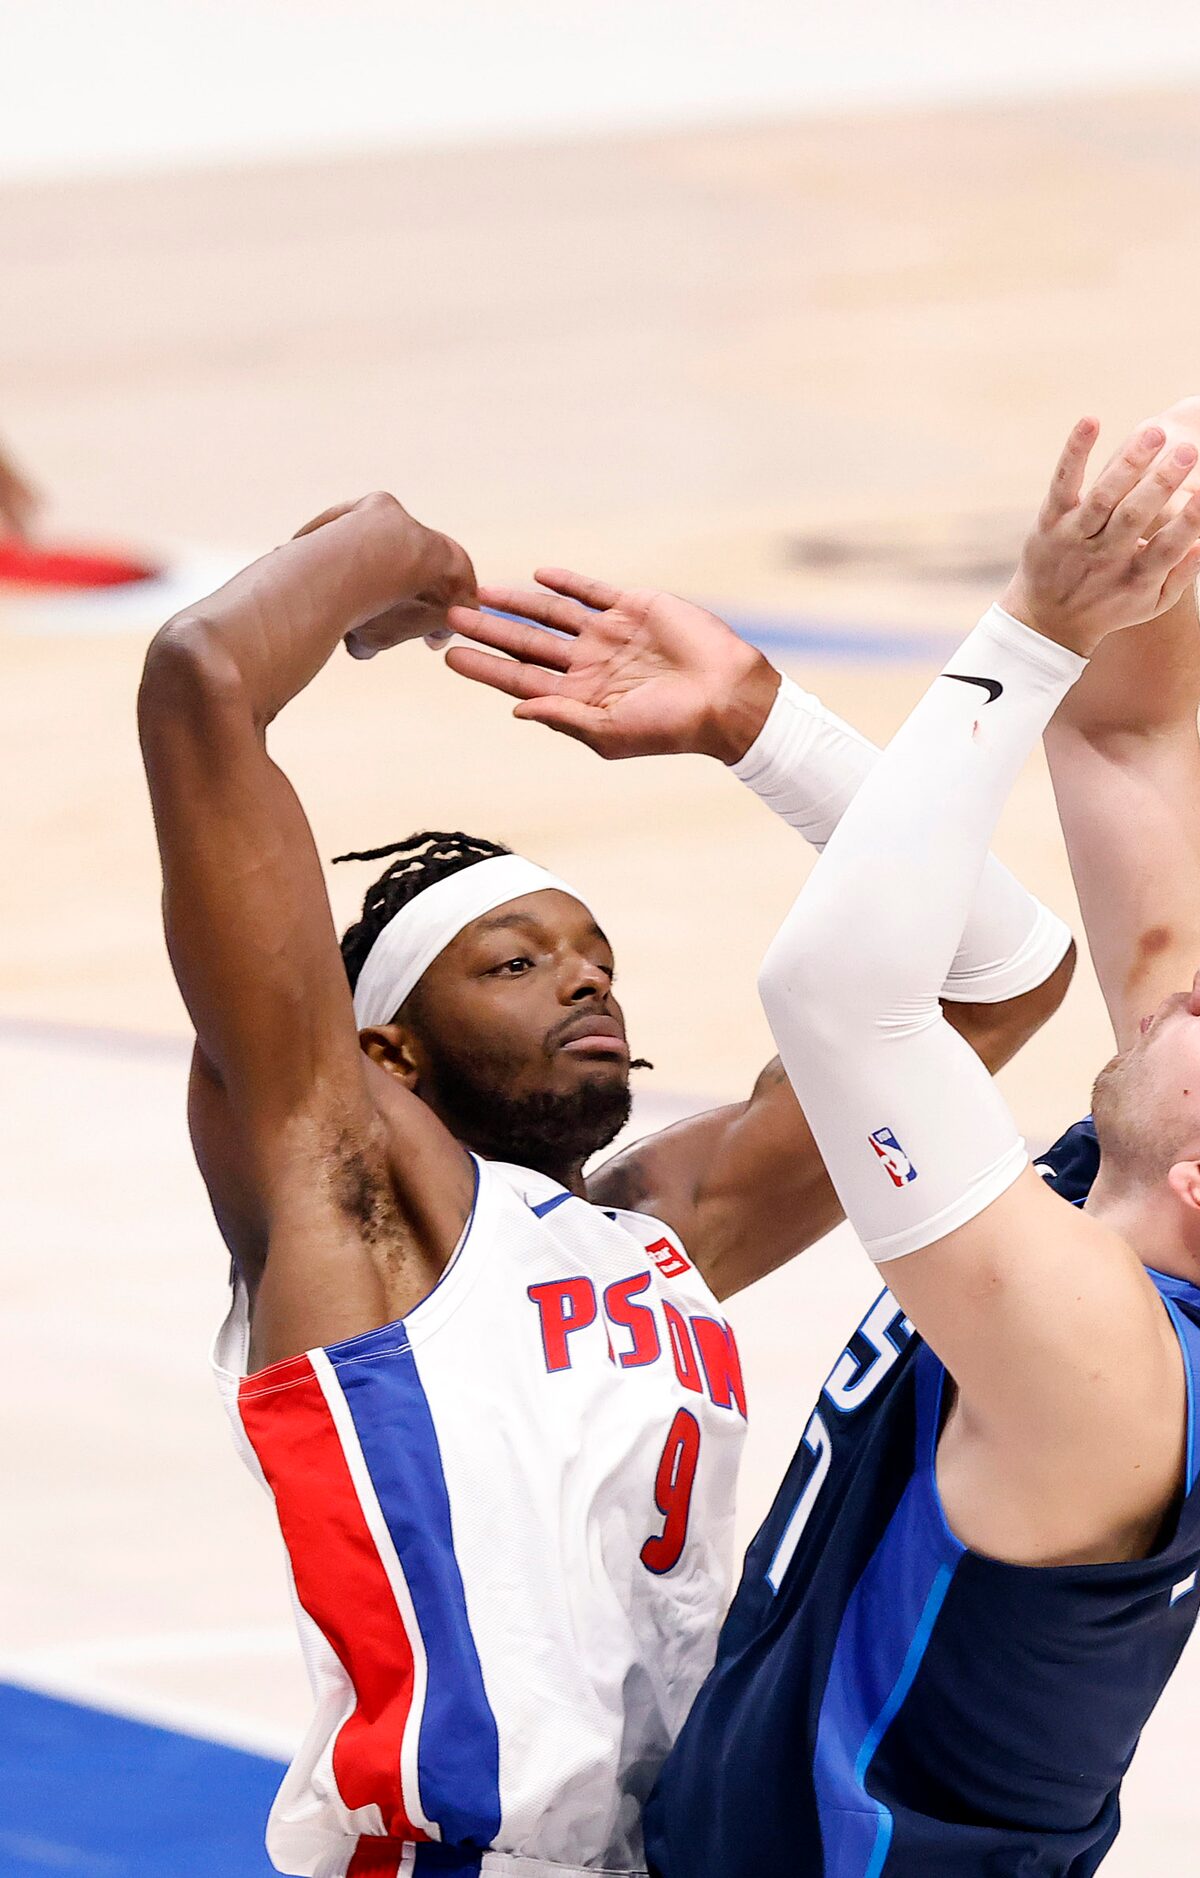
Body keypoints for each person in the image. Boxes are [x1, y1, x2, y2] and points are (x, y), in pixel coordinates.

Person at [443, 398, 1200, 1875]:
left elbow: (837, 996)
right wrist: (1174, 507)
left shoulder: (1102, 1359)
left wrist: (1029, 623)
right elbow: (1130, 734)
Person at [136, 492, 1074, 1878]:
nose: (581, 974)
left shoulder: (657, 1231)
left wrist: (758, 724)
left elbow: (1002, 974)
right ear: (384, 1047)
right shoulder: (354, 1185)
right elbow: (200, 682)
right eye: (511, 961)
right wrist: (398, 552)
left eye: (593, 953)